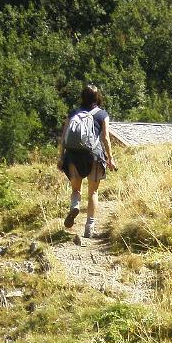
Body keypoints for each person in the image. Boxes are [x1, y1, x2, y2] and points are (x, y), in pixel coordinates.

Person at [58, 84, 117, 239]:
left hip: (73, 155)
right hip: (94, 155)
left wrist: (61, 157)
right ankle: (89, 227)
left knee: (76, 190)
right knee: (93, 192)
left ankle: (75, 206)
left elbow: (64, 137)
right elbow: (105, 138)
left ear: (82, 97)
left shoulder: (74, 113)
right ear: (98, 98)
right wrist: (110, 158)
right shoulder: (102, 114)